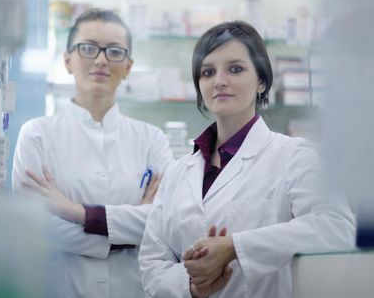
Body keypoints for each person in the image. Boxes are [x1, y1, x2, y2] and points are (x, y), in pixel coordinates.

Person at [138, 21, 356, 298]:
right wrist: (192, 285)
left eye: (236, 69)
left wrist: (234, 247)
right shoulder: (179, 171)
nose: (219, 81)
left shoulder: (294, 156)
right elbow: (151, 264)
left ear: (262, 81)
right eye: (207, 72)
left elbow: (336, 227)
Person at [12, 8, 173, 298]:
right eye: (87, 48)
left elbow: (164, 222)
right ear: (67, 60)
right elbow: (38, 225)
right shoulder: (36, 134)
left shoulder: (152, 139)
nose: (100, 59)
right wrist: (126, 233)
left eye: (114, 51)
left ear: (128, 66)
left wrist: (74, 212)